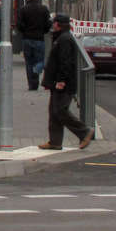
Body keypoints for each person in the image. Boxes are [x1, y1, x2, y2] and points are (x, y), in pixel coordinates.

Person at [38, 13, 94, 151]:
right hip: (59, 81)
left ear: (57, 24)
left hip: (64, 83)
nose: (52, 24)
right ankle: (55, 141)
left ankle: (84, 131)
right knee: (54, 111)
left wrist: (61, 80)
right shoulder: (62, 37)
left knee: (60, 110)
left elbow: (65, 62)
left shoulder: (64, 39)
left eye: (54, 22)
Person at [16, 0, 51, 91]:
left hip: (27, 38)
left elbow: (19, 24)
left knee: (29, 62)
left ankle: (31, 85)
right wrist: (43, 31)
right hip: (39, 38)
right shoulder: (43, 9)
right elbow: (48, 23)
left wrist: (24, 30)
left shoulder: (23, 9)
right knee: (40, 60)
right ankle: (37, 72)